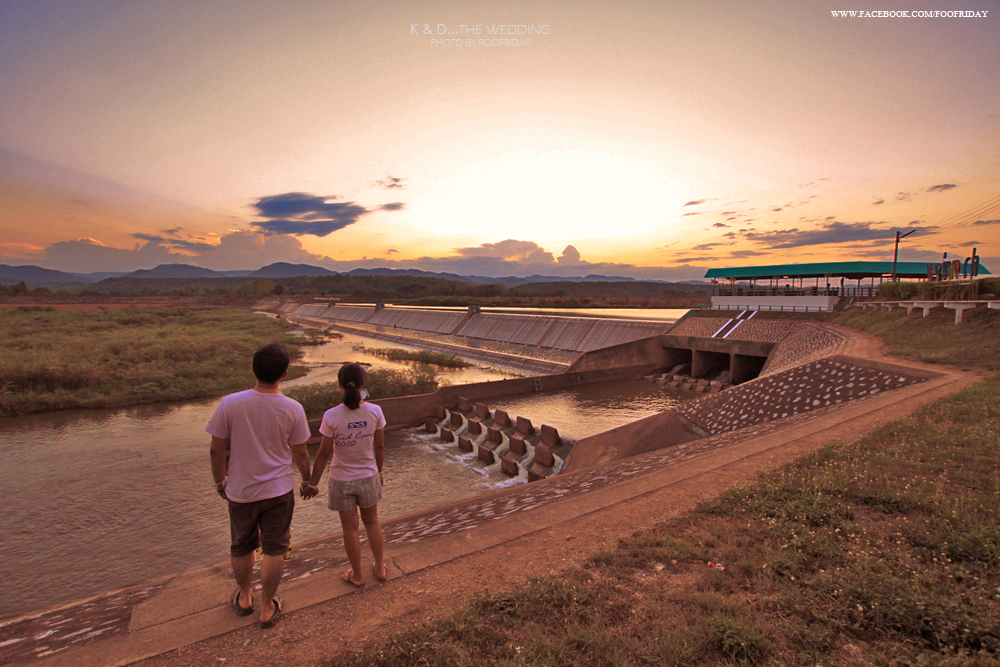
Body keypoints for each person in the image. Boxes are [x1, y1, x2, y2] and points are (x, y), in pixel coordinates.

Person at [207, 343, 311, 629]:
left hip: (240, 491)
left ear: (254, 369)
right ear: (285, 374)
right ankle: (267, 607)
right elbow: (301, 452)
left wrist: (219, 481)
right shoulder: (293, 408)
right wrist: (306, 480)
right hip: (278, 491)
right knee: (275, 548)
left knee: (241, 545)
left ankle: (244, 598)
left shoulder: (230, 403)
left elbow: (217, 449)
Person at [302, 363, 387, 587]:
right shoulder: (375, 411)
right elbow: (379, 447)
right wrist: (379, 471)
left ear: (339, 385)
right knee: (372, 522)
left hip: (341, 480)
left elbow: (323, 454)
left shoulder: (331, 416)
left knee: (350, 529)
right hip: (368, 476)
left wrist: (312, 484)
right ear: (363, 384)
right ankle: (380, 567)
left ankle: (357, 575)